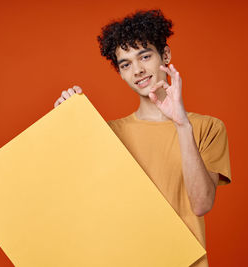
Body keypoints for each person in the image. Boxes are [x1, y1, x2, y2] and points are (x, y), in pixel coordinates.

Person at [53, 9, 231, 267]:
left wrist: (182, 125)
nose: (137, 70)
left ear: (165, 55)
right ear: (121, 73)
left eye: (144, 56)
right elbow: (75, 201)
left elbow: (202, 203)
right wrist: (66, 123)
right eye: (126, 64)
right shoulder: (109, 134)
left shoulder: (207, 128)